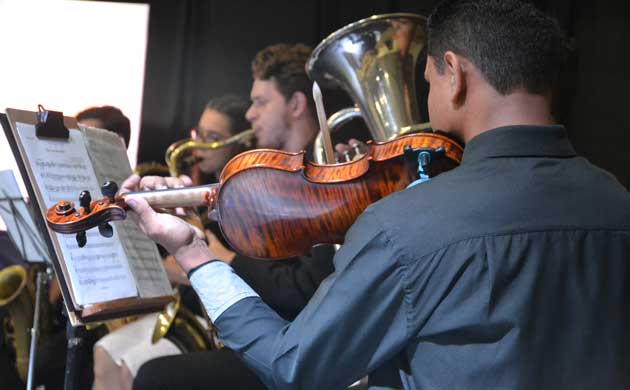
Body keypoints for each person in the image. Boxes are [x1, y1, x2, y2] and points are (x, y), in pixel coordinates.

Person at [122, 1, 630, 389]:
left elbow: (293, 365)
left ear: (454, 75)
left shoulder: (407, 222)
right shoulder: (616, 200)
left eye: (427, 78)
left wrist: (193, 252)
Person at [131, 43, 338, 390]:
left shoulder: (325, 176)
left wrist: (224, 260)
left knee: (155, 377)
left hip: (297, 343)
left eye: (261, 102)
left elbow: (306, 289)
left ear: (297, 105)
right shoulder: (272, 176)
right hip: (268, 326)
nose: (250, 114)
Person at [91, 96, 255, 390]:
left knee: (135, 368)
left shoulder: (247, 198)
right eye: (199, 134)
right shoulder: (201, 190)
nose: (199, 145)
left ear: (239, 142)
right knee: (103, 352)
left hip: (216, 321)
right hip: (186, 312)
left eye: (213, 138)